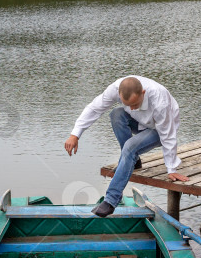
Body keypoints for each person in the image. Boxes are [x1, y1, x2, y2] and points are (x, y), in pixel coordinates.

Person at [64, 76, 189, 217]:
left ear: (143, 92)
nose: (132, 108)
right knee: (116, 114)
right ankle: (133, 161)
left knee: (130, 147)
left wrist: (171, 168)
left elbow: (168, 134)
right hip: (140, 123)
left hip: (160, 129)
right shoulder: (115, 89)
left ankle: (111, 200)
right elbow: (94, 108)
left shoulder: (159, 100)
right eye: (128, 105)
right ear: (119, 94)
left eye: (135, 104)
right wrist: (75, 135)